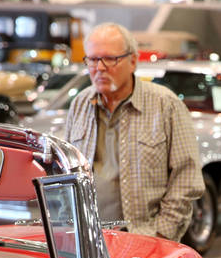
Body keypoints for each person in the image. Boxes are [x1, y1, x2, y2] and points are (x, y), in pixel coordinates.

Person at [64, 22, 203, 241]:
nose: (99, 68)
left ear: (133, 62)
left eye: (109, 59)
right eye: (92, 59)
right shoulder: (80, 104)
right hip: (88, 242)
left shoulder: (165, 105)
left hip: (146, 239)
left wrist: (160, 234)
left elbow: (186, 178)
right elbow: (66, 173)